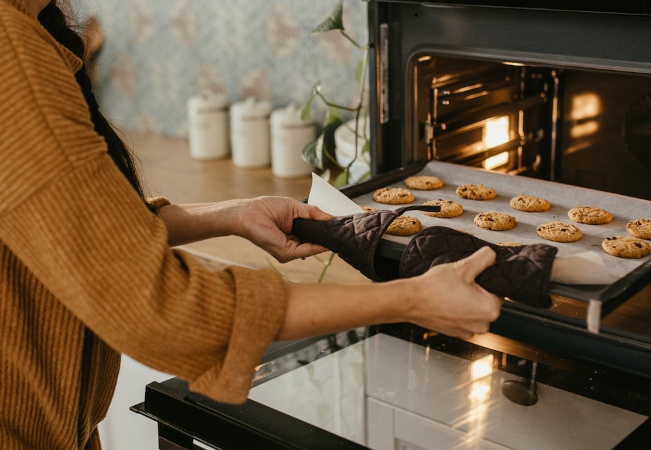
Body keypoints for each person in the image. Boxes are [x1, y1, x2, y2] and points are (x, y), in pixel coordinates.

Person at [0, 0, 502, 448]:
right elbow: (164, 310)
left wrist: (232, 215)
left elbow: (77, 230)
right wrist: (412, 299)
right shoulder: (10, 52)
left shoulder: (30, 31)